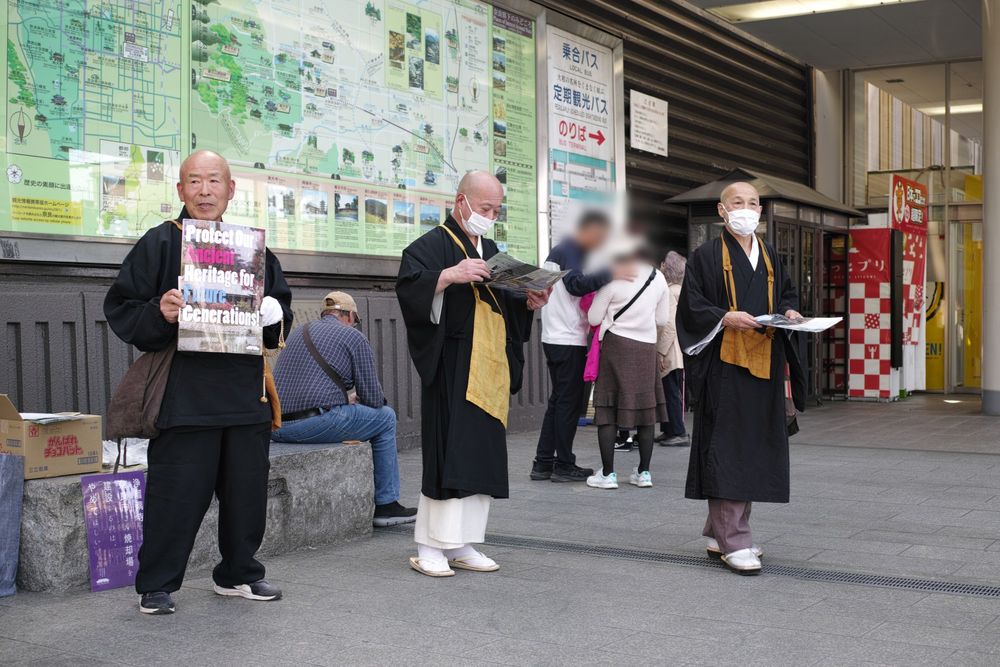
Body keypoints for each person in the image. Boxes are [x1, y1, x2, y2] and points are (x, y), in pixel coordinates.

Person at [104, 150, 293, 615]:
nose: (205, 190)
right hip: (185, 394)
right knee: (176, 494)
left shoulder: (253, 248)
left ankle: (239, 573)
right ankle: (157, 584)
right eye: (195, 181)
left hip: (244, 390)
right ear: (180, 191)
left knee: (247, 493)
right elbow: (122, 309)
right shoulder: (160, 243)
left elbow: (279, 314)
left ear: (231, 190)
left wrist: (273, 314)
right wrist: (159, 312)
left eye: (214, 181)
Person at [395, 171, 546, 577]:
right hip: (452, 363)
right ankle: (430, 545)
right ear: (460, 201)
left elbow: (506, 306)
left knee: (480, 453)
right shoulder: (429, 247)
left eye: (496, 210)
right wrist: (447, 276)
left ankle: (463, 543)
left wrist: (529, 303)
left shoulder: (492, 249)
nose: (489, 216)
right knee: (448, 450)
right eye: (484, 208)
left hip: (490, 365)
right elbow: (410, 290)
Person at [676, 181, 804, 576]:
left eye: (752, 203)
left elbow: (787, 294)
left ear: (760, 210)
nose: (746, 209)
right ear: (721, 210)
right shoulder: (706, 256)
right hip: (725, 367)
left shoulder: (769, 256)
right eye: (738, 202)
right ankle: (736, 539)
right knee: (729, 447)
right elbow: (692, 305)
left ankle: (719, 532)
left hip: (764, 362)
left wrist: (791, 312)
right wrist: (723, 316)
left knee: (751, 446)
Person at [270, 291, 417, 527]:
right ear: (349, 315)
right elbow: (373, 398)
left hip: (277, 427)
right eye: (356, 320)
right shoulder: (352, 336)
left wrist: (341, 399)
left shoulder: (299, 331)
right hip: (313, 424)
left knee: (356, 412)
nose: (354, 324)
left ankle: (386, 503)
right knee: (386, 418)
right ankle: (386, 505)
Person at [531, 211, 634, 483]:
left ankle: (543, 463)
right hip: (567, 338)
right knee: (568, 404)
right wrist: (610, 272)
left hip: (556, 336)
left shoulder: (562, 251)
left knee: (558, 403)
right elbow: (576, 285)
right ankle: (563, 464)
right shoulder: (570, 250)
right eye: (600, 237)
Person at [585, 237, 670, 490]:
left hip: (616, 348)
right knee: (646, 412)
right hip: (646, 348)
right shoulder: (659, 278)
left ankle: (608, 474)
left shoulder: (615, 277)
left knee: (608, 410)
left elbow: (593, 317)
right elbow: (662, 319)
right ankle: (644, 473)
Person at [655, 251, 689, 446]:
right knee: (671, 390)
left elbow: (668, 326)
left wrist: (660, 351)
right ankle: (669, 430)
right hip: (678, 349)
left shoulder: (669, 292)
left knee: (670, 392)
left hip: (670, 350)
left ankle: (677, 431)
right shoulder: (681, 290)